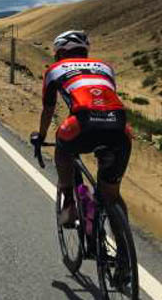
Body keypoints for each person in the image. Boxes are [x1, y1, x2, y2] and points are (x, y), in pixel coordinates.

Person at [34, 30, 132, 226]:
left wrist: (40, 136)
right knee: (111, 193)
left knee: (63, 143)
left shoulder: (54, 69)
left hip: (83, 122)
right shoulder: (105, 67)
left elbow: (48, 108)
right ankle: (124, 252)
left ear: (60, 53)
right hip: (120, 126)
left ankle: (69, 204)